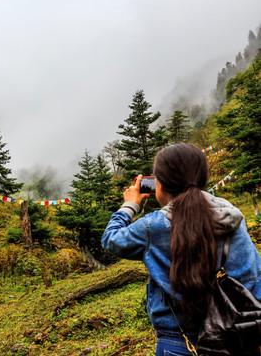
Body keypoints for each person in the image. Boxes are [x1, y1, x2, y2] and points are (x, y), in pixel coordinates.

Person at [102, 143, 261, 355]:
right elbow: (252, 278)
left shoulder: (152, 226)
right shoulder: (230, 215)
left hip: (178, 340)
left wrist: (130, 205)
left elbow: (111, 240)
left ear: (161, 184)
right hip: (235, 336)